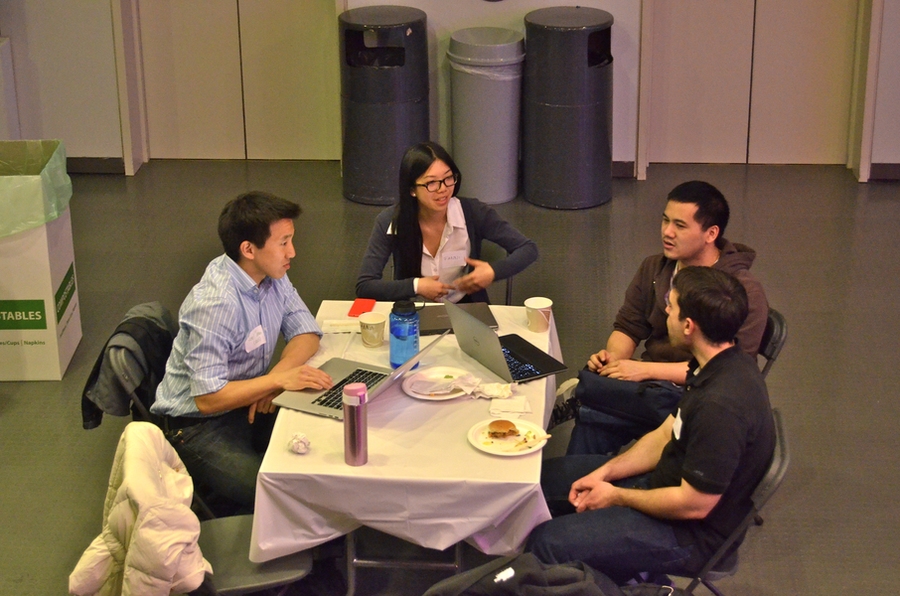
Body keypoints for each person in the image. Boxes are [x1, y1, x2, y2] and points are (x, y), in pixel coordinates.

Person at [528, 267, 776, 584]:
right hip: (665, 483)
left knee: (547, 544)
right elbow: (664, 435)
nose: (666, 311)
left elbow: (693, 505)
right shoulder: (715, 363)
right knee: (539, 482)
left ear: (689, 326)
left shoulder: (721, 406)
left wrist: (617, 496)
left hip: (691, 534)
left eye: (671, 306)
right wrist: (606, 473)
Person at [151, 191, 333, 513]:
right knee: (283, 499)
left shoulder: (271, 274)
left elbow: (307, 332)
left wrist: (276, 378)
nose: (292, 252)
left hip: (246, 401)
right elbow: (208, 398)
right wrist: (274, 382)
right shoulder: (216, 303)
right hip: (197, 427)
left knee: (327, 440)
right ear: (248, 249)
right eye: (283, 243)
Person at [558, 180, 768, 456]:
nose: (667, 232)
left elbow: (727, 369)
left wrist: (645, 370)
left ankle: (586, 394)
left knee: (599, 409)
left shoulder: (741, 292)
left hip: (698, 394)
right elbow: (628, 326)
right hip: (651, 386)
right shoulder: (654, 268)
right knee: (596, 420)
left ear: (711, 233)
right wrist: (614, 361)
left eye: (680, 225)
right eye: (665, 220)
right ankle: (590, 412)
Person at [356, 141, 538, 303]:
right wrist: (416, 286)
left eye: (448, 178)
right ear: (412, 190)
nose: (443, 189)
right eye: (431, 183)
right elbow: (365, 285)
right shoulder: (390, 220)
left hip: (467, 308)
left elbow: (528, 248)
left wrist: (493, 271)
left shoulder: (472, 212)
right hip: (412, 311)